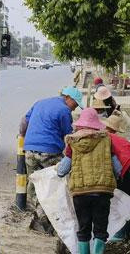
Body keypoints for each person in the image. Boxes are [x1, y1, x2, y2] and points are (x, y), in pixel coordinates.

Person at [21, 86, 84, 234]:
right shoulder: (64, 111)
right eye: (75, 105)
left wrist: (23, 139)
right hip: (49, 152)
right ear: (68, 98)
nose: (74, 109)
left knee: (35, 184)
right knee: (56, 184)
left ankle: (39, 217)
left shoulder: (40, 102)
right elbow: (69, 137)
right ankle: (51, 220)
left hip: (29, 150)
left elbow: (24, 122)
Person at [57, 108, 119, 254]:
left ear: (80, 125)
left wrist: (59, 171)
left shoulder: (73, 143)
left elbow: (63, 170)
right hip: (102, 192)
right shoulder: (106, 139)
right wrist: (117, 177)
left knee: (83, 228)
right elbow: (117, 167)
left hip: (80, 193)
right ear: (96, 124)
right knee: (100, 229)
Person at [103, 111, 130, 242]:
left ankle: (120, 235)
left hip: (129, 169)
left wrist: (116, 179)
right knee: (129, 201)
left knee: (121, 202)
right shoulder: (120, 139)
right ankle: (125, 233)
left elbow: (116, 165)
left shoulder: (105, 139)